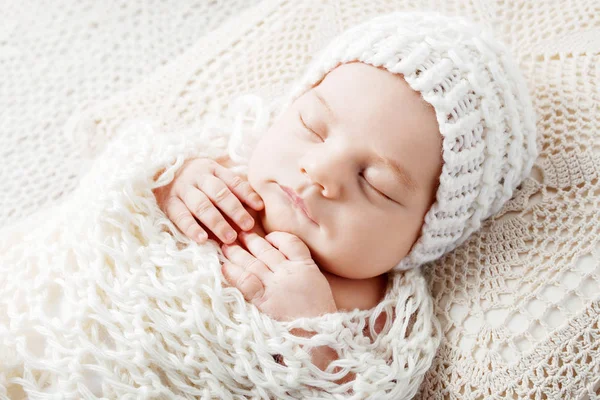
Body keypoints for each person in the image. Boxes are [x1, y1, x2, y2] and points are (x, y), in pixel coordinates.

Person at [153, 11, 537, 373]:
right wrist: (173, 183)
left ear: (426, 236)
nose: (319, 170)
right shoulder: (223, 166)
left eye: (376, 183)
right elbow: (122, 195)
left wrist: (313, 333)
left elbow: (367, 387)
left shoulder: (381, 313)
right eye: (312, 126)